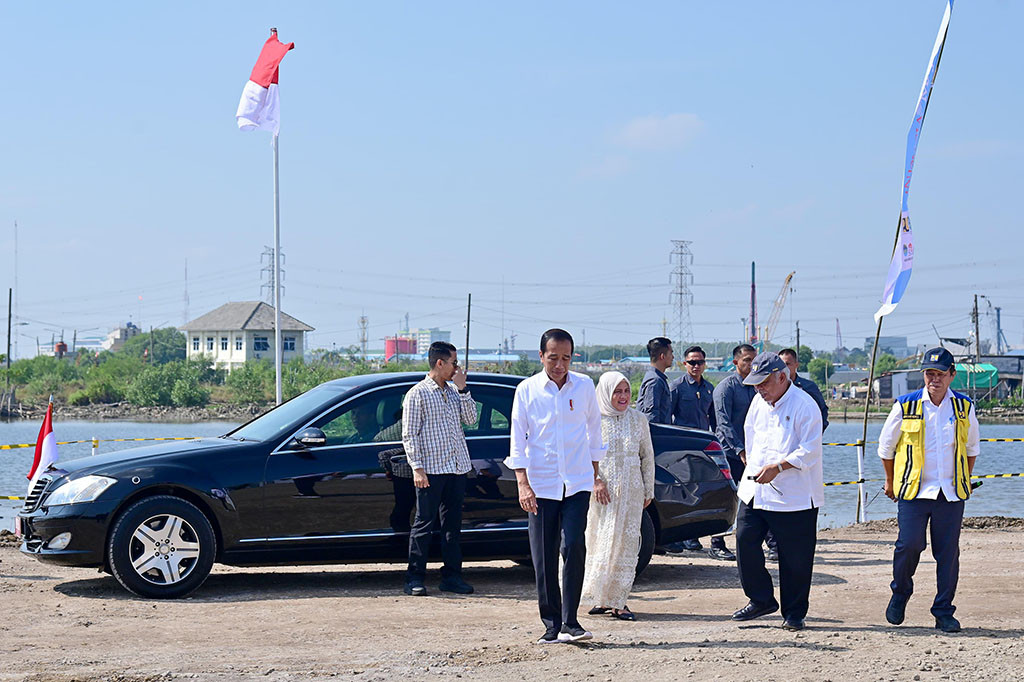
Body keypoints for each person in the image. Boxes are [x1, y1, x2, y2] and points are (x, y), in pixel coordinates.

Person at [506, 329, 607, 644]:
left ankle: (571, 622)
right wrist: (523, 484)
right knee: (544, 555)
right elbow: (518, 440)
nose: (560, 364)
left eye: (566, 358)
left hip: (577, 483)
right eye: (553, 358)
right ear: (541, 356)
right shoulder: (527, 390)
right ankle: (551, 624)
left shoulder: (584, 386)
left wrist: (594, 474)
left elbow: (594, 433)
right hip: (541, 484)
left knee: (573, 545)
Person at [878, 347, 979, 633]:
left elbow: (972, 448)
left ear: (951, 376)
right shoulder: (906, 405)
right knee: (909, 545)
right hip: (913, 491)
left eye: (939, 374)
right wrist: (889, 481)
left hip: (950, 493)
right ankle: (900, 592)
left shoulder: (964, 407)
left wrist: (964, 479)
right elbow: (886, 449)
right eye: (929, 373)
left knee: (948, 553)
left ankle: (943, 610)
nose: (934, 379)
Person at [731, 352, 823, 632]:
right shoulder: (759, 402)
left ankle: (794, 613)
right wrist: (751, 459)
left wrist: (780, 466)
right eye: (755, 383)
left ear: (782, 377)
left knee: (795, 558)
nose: (759, 389)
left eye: (764, 383)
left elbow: (810, 450)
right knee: (745, 541)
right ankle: (761, 599)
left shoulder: (805, 405)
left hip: (794, 495)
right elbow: (750, 432)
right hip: (756, 488)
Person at [401, 341, 478, 597]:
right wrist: (418, 468)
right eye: (454, 363)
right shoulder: (418, 394)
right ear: (440, 363)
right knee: (423, 524)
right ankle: (414, 577)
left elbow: (470, 420)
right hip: (431, 470)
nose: (458, 368)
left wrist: (464, 389)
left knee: (452, 526)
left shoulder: (456, 392)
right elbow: (410, 434)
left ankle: (452, 577)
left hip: (457, 468)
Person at [582, 371, 655, 621]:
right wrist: (595, 481)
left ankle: (619, 601)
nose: (623, 396)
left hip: (632, 491)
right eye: (617, 391)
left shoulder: (638, 419)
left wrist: (648, 489)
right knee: (600, 542)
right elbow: (584, 455)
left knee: (626, 544)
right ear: (605, 393)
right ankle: (602, 599)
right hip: (604, 494)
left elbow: (647, 456)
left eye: (626, 391)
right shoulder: (592, 420)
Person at [765, 348, 830, 561]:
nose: (785, 367)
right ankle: (773, 544)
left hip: (801, 459)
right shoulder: (764, 395)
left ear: (795, 366)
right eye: (781, 363)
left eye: (788, 363)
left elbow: (822, 416)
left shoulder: (808, 391)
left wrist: (810, 440)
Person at [669, 345, 733, 561]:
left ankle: (696, 534)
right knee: (684, 490)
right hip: (683, 446)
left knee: (702, 489)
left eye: (700, 362)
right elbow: (668, 418)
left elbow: (714, 420)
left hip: (703, 446)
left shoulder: (709, 388)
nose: (696, 366)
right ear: (685, 364)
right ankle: (685, 536)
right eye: (692, 362)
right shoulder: (676, 387)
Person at [637, 337, 674, 425]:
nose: (673, 357)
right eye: (671, 353)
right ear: (662, 356)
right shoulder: (655, 381)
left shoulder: (657, 378)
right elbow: (651, 417)